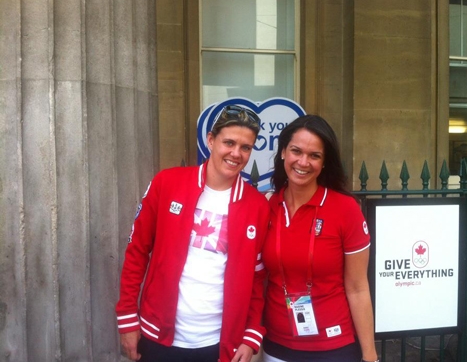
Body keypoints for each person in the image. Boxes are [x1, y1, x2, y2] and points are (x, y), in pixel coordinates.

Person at [116, 105, 270, 362]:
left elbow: (257, 277)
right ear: (211, 140)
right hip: (159, 337)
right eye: (229, 143)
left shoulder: (257, 205)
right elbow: (137, 252)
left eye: (246, 147)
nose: (236, 154)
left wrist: (251, 333)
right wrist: (128, 319)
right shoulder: (167, 183)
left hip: (219, 341)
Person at [261, 115, 378, 362]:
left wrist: (370, 356)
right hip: (276, 345)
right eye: (296, 151)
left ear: (325, 163)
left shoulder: (345, 209)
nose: (303, 162)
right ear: (283, 152)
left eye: (315, 155)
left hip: (333, 346)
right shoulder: (268, 206)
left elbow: (358, 288)